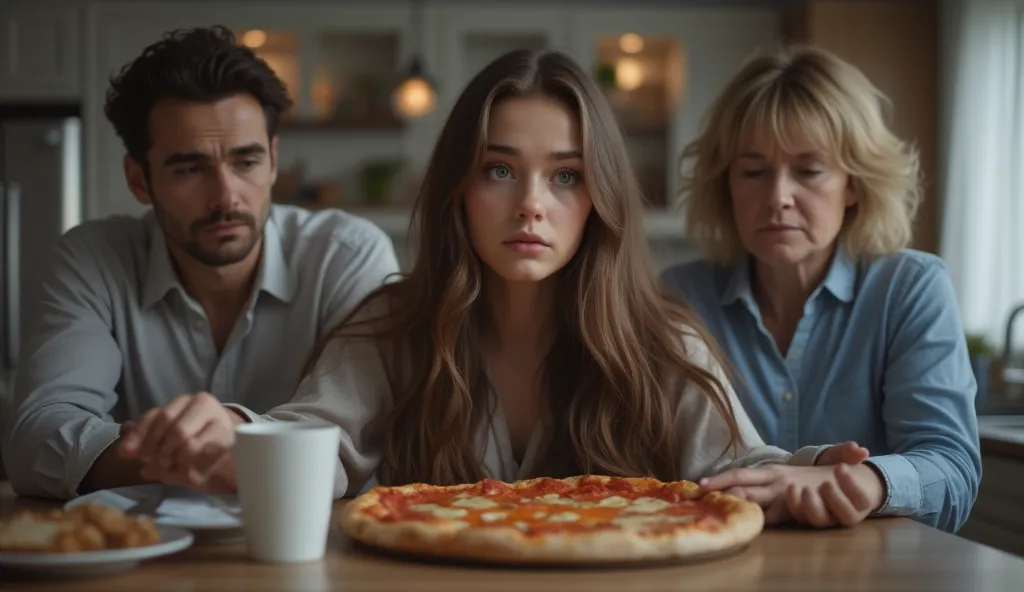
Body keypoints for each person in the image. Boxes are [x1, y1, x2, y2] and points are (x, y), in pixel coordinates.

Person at [118, 49, 875, 528]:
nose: (531, 205)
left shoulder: (660, 337)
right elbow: (310, 442)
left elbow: (740, 468)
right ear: (458, 187)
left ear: (600, 197)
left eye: (566, 176)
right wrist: (232, 434)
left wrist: (818, 471)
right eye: (500, 169)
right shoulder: (389, 325)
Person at [1, 26, 401, 500]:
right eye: (190, 169)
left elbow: (353, 440)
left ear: (273, 161)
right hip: (141, 557)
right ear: (139, 180)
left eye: (245, 162)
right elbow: (34, 441)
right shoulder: (92, 260)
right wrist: (194, 454)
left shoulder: (347, 256)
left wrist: (224, 436)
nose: (225, 196)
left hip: (318, 554)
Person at [660, 44, 981, 532]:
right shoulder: (680, 297)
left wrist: (867, 482)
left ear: (854, 184)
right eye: (753, 172)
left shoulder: (911, 288)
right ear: (725, 183)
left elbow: (954, 472)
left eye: (808, 171)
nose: (778, 197)